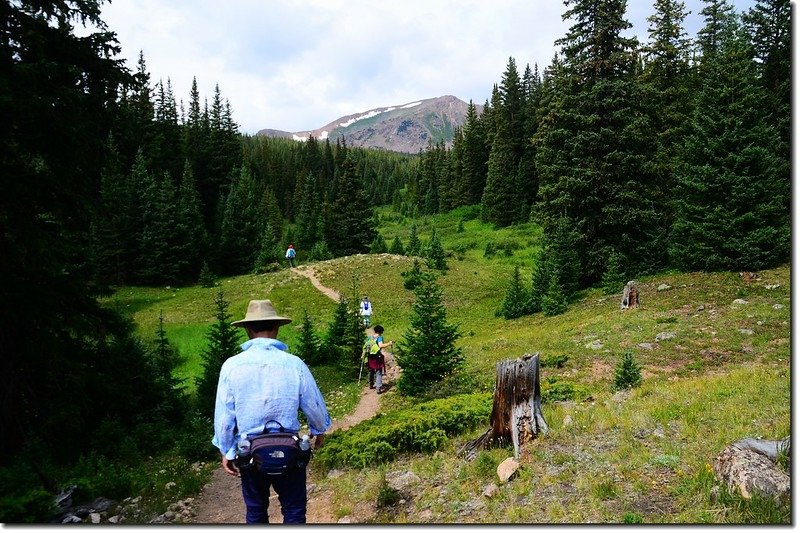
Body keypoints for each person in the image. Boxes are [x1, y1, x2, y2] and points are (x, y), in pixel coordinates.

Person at [212, 299, 331, 524]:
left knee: (256, 511)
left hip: (250, 452)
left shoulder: (231, 366)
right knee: (294, 510)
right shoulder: (294, 363)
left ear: (247, 330)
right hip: (290, 450)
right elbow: (312, 403)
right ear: (277, 328)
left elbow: (225, 415)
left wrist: (226, 450)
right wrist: (319, 430)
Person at [367, 325, 393, 394]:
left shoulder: (369, 337)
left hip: (370, 356)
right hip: (377, 356)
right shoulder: (379, 337)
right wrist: (389, 343)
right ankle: (378, 387)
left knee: (371, 370)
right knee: (378, 371)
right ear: (380, 331)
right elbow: (380, 345)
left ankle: (371, 384)